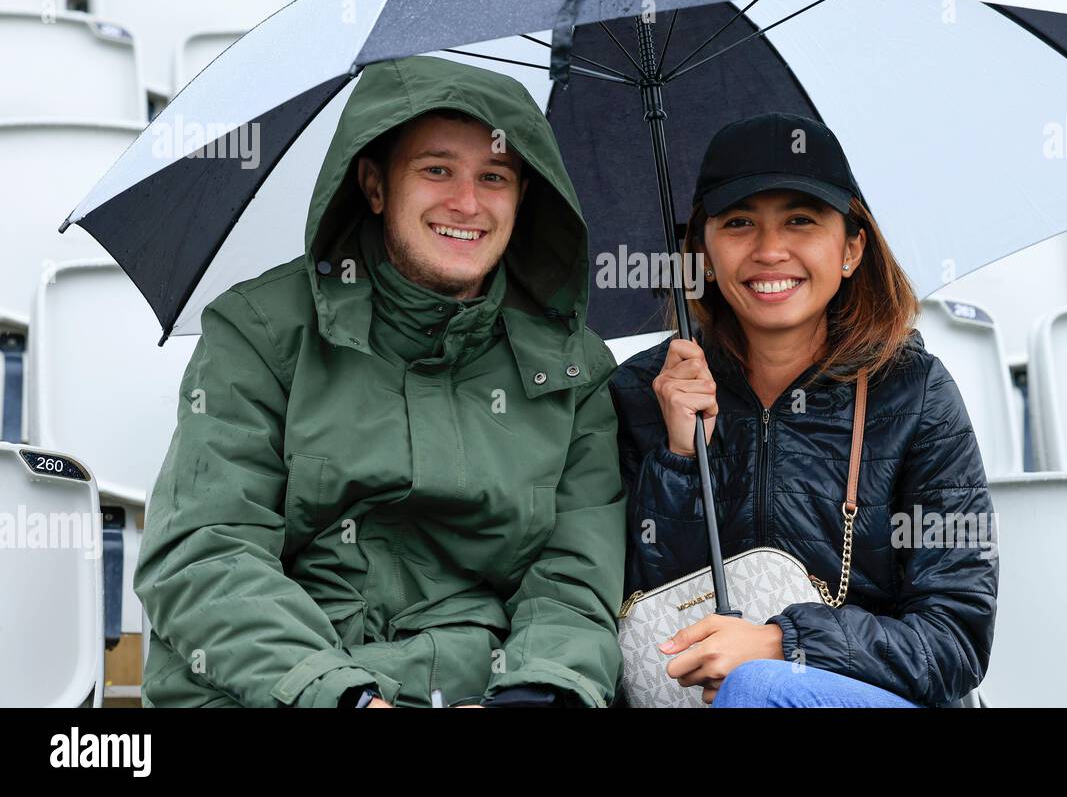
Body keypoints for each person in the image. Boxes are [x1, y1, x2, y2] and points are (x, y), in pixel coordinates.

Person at [134, 56, 626, 708]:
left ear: (523, 197)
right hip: (271, 687)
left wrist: (535, 694)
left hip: (477, 688)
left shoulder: (576, 370)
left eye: (495, 177)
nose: (467, 203)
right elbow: (204, 551)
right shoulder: (260, 330)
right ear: (373, 184)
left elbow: (573, 581)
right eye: (436, 170)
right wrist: (343, 696)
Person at [609, 113, 998, 708]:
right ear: (703, 254)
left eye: (800, 221)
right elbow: (629, 615)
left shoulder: (916, 392)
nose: (769, 251)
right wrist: (683, 459)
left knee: (758, 689)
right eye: (738, 223)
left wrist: (782, 644)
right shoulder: (643, 391)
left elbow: (955, 642)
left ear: (850, 248)